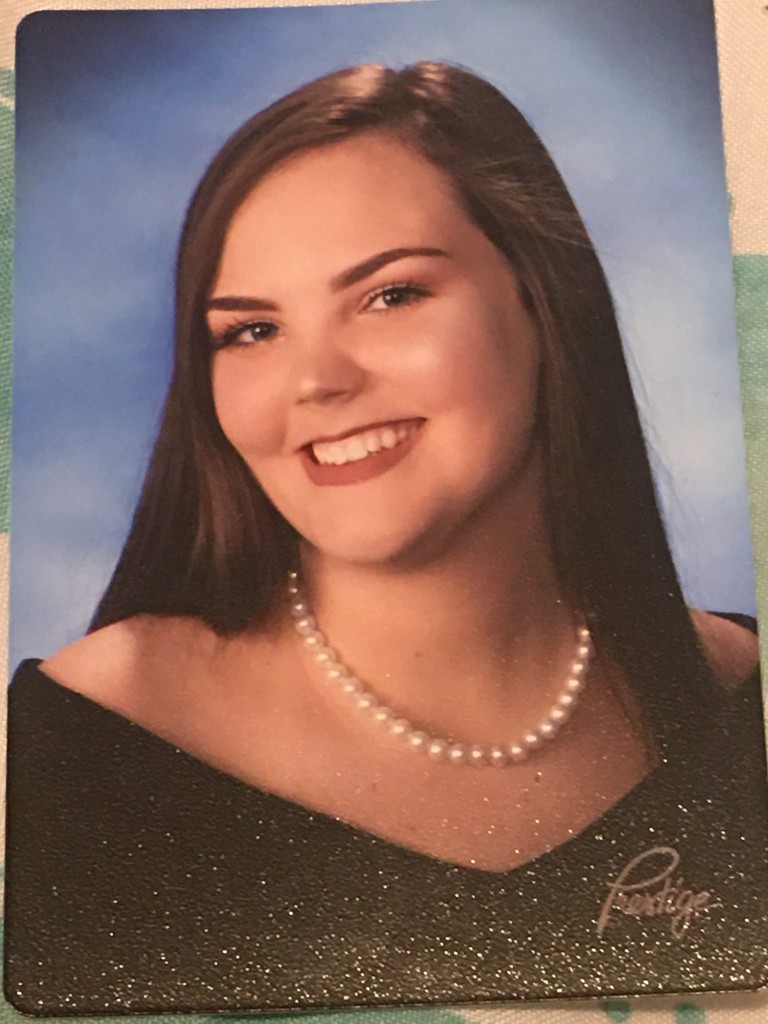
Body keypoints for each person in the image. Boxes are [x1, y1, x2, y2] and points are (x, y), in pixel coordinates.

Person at [5, 62, 767, 1016]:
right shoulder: (87, 740)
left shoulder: (739, 698)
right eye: (251, 331)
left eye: (391, 295)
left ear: (545, 302)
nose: (317, 380)